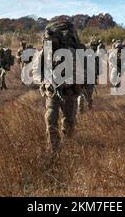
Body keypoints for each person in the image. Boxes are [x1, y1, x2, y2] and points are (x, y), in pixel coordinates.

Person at [33, 20, 84, 154]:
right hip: (52, 93)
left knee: (69, 120)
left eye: (53, 41)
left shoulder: (71, 52)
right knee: (50, 119)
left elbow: (80, 71)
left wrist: (70, 81)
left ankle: (69, 145)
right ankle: (54, 149)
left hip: (69, 92)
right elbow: (36, 72)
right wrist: (44, 82)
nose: (50, 43)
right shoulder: (44, 53)